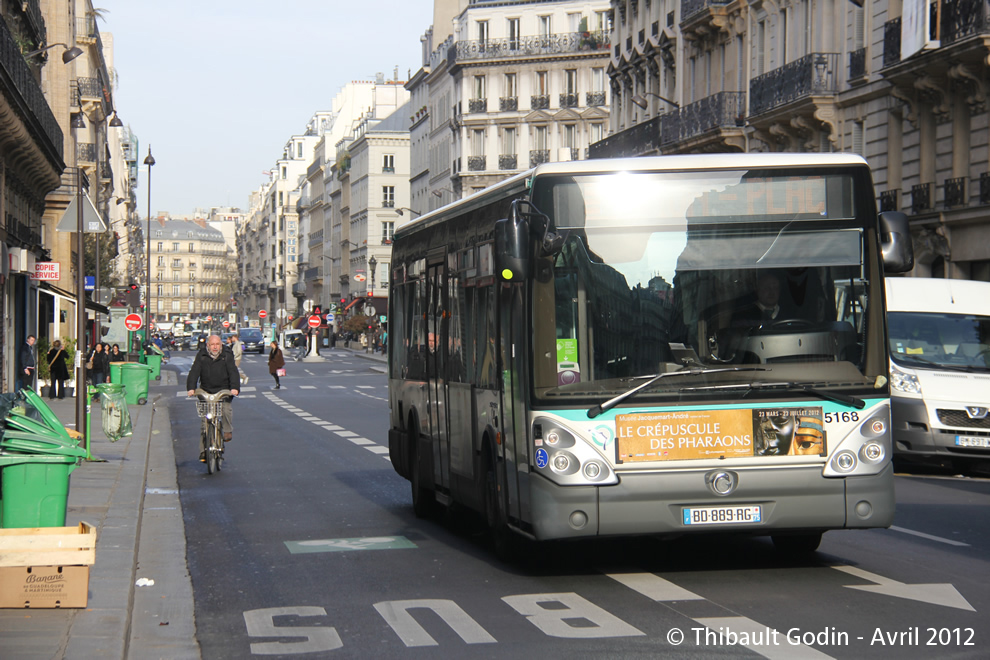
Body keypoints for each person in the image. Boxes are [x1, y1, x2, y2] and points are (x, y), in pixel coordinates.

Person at [186, 334, 240, 462]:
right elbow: (194, 371)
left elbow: (233, 371)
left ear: (221, 344)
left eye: (217, 344)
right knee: (205, 421)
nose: (215, 347)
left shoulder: (227, 354)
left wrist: (234, 388)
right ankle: (203, 451)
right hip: (206, 389)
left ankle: (227, 430)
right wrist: (191, 388)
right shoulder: (202, 355)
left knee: (226, 408)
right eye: (212, 345)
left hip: (223, 389)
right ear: (208, 345)